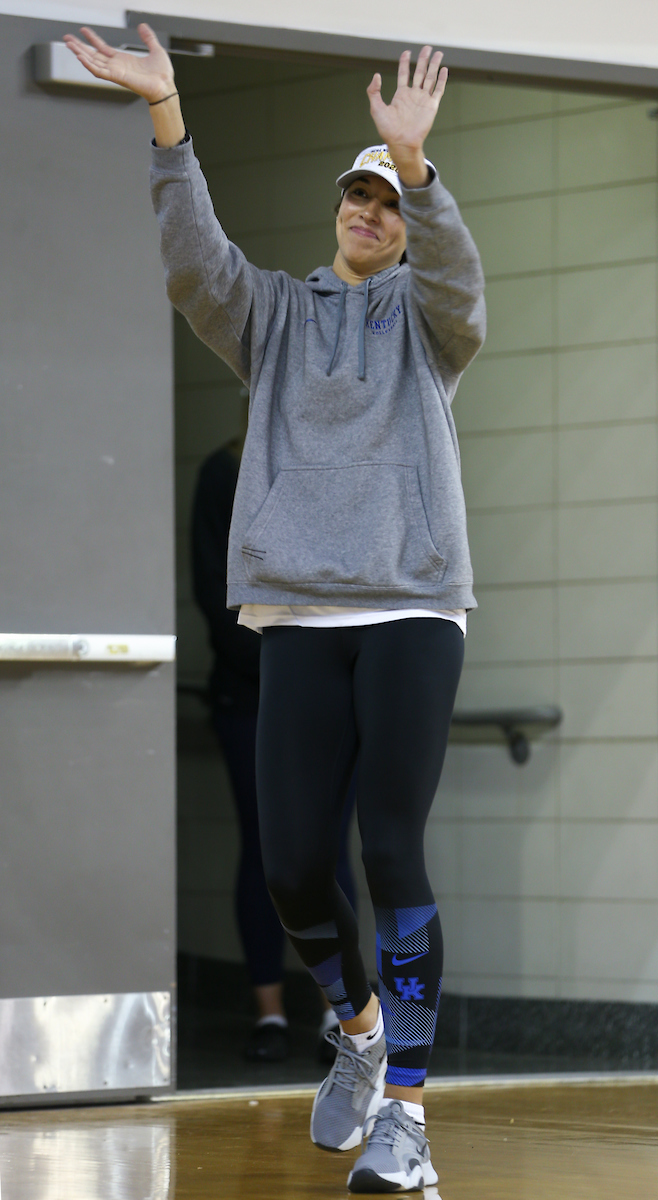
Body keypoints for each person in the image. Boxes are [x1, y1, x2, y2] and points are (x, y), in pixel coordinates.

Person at [64, 23, 486, 1194]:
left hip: (410, 609)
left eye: (387, 201)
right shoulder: (274, 316)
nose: (369, 212)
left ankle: (408, 1118)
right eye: (359, 193)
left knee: (388, 848)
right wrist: (167, 118)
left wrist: (418, 165)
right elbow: (194, 260)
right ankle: (356, 1032)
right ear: (336, 206)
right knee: (295, 866)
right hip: (294, 614)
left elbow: (461, 281)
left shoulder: (429, 321)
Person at [190, 433, 358, 1065]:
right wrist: (293, 667)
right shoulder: (226, 471)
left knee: (330, 850)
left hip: (329, 688)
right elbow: (215, 589)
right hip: (253, 691)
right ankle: (270, 1013)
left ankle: (340, 1015)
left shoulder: (338, 461)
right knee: (265, 851)